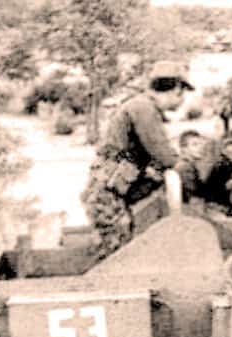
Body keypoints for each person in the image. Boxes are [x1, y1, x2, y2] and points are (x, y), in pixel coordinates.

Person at [81, 61, 191, 259]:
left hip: (111, 193)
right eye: (182, 92)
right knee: (116, 255)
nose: (183, 99)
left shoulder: (141, 106)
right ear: (176, 89)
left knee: (120, 249)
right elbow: (164, 155)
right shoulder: (143, 109)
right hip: (107, 195)